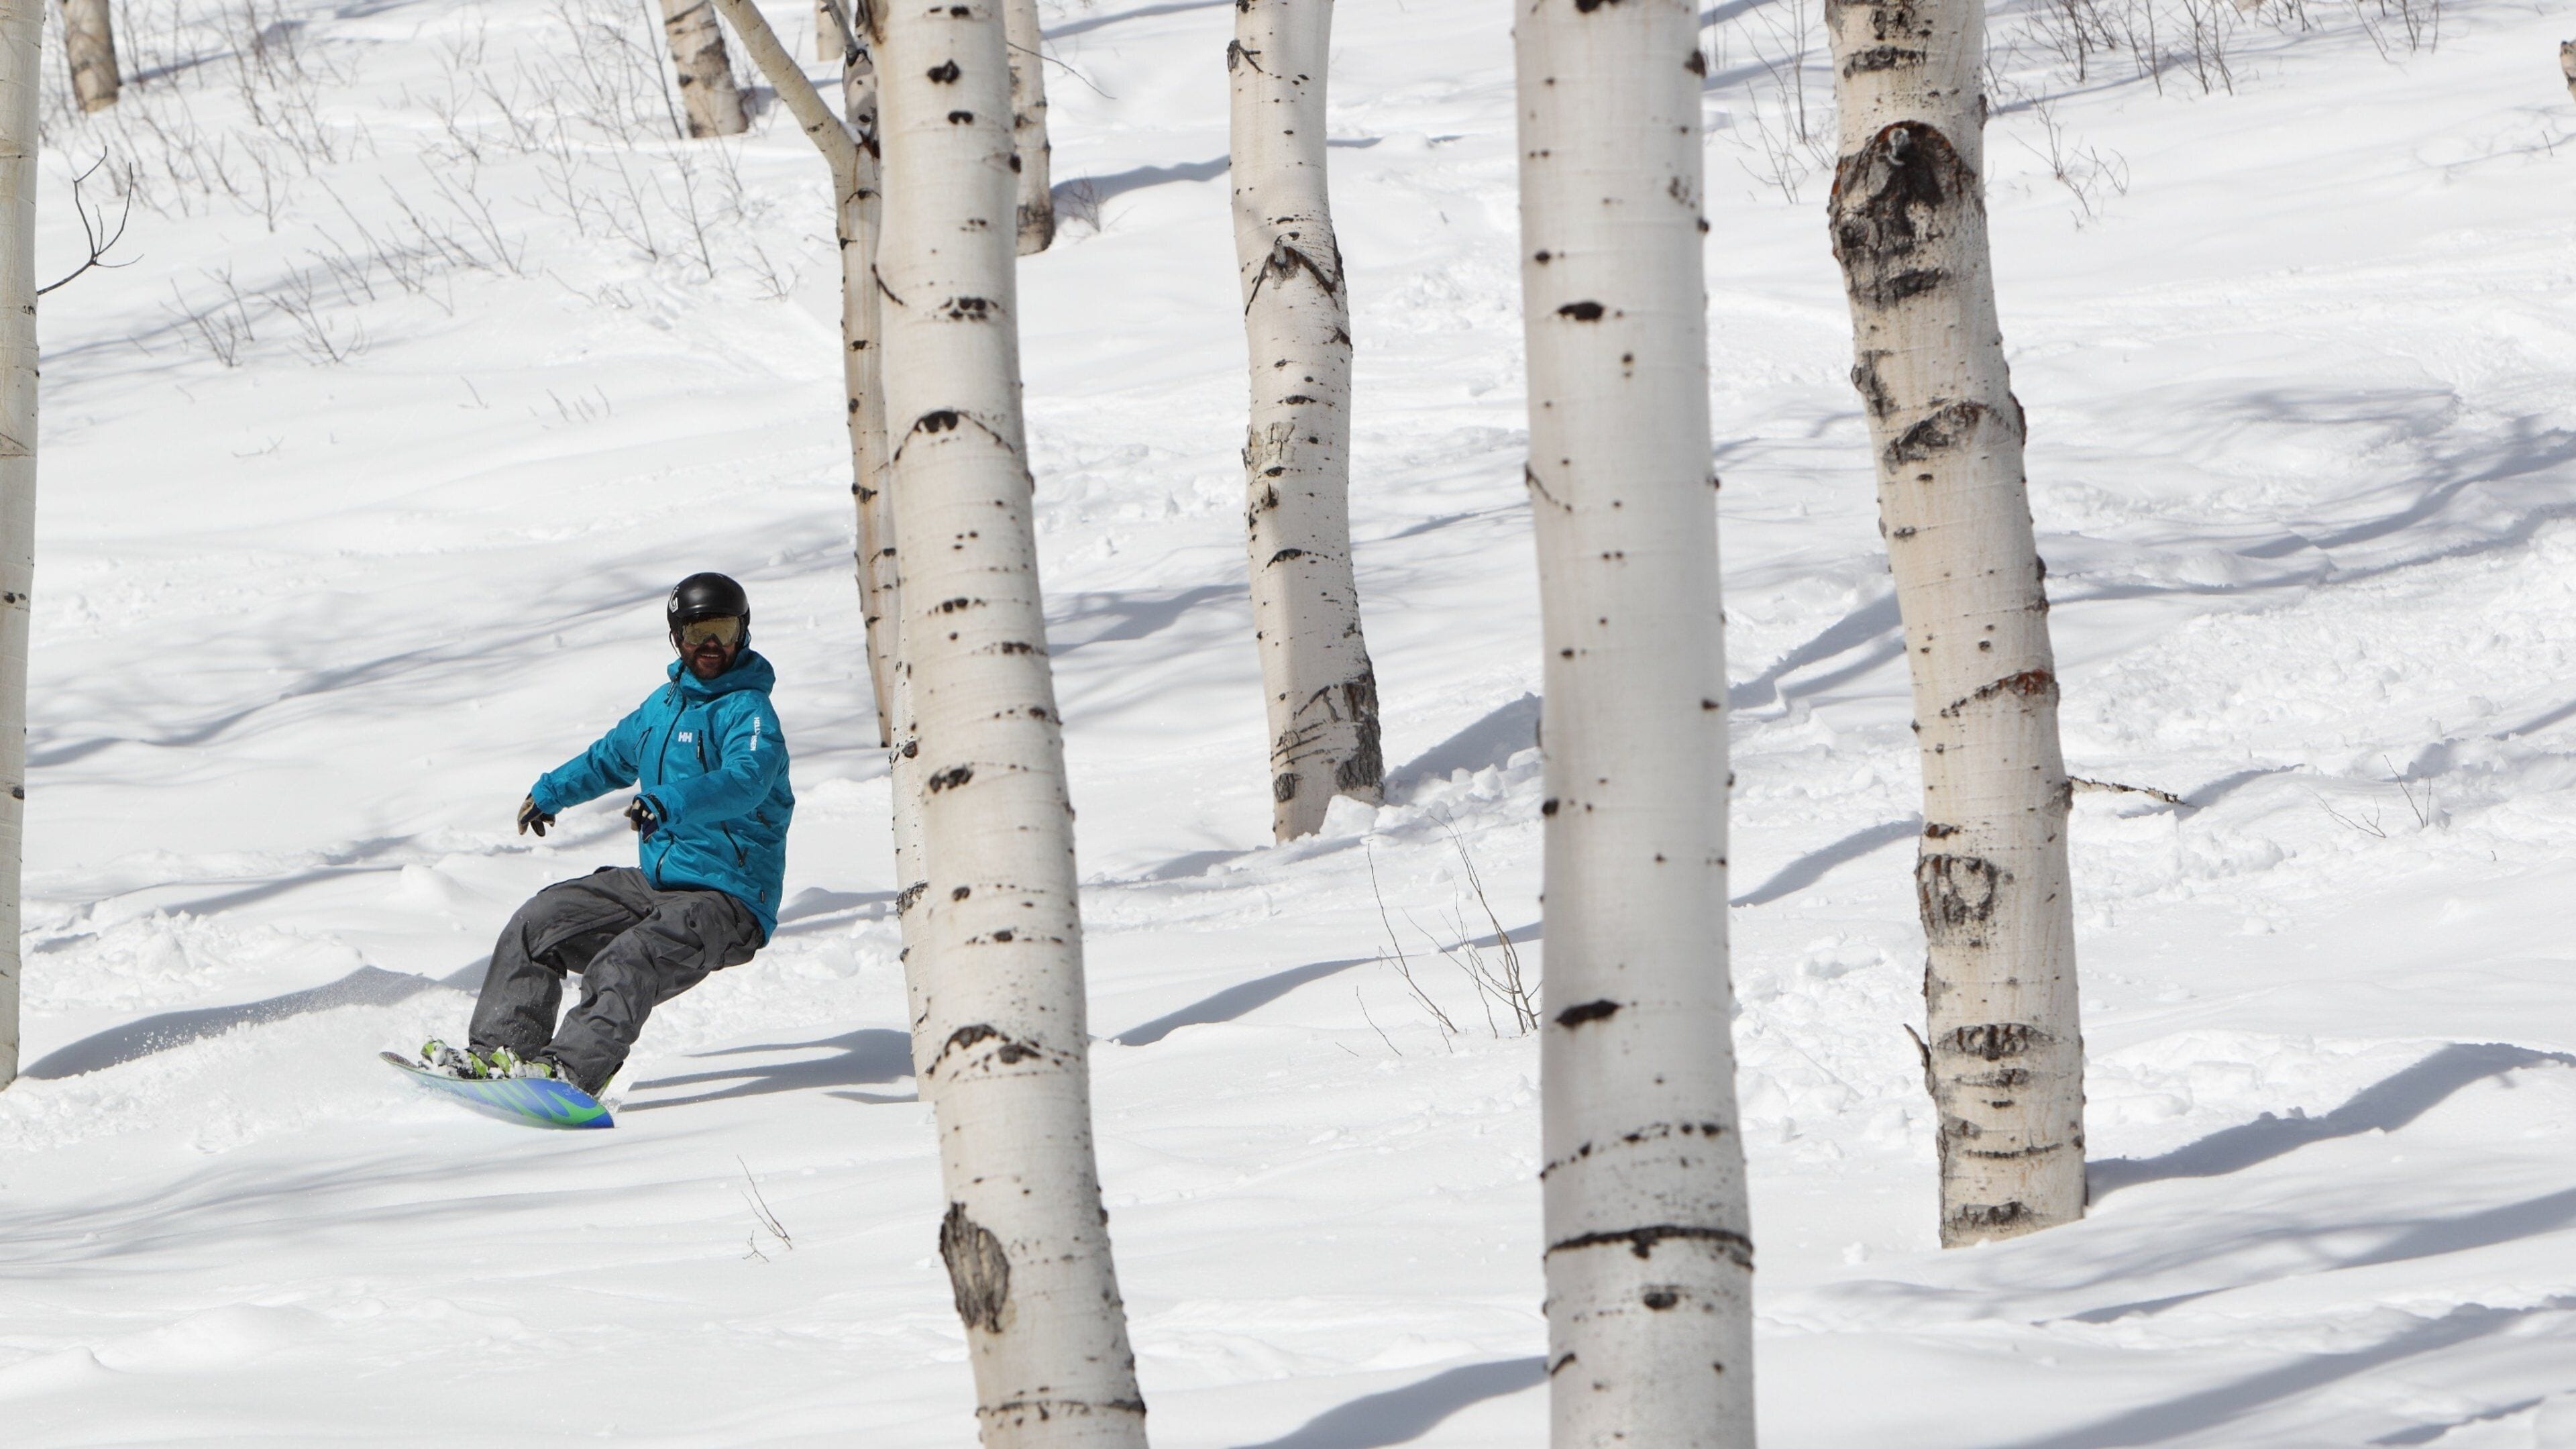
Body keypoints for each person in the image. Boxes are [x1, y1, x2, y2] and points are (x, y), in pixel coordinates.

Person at [419, 572, 794, 1097]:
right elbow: (610, 758)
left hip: (729, 900)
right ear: (676, 636)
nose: (712, 646)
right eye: (697, 631)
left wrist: (669, 802)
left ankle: (570, 1074)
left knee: (627, 959)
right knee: (541, 921)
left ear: (744, 633)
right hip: (658, 885)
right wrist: (552, 792)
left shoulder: (751, 713)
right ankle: (502, 1054)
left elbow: (746, 780)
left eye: (725, 631)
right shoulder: (661, 710)